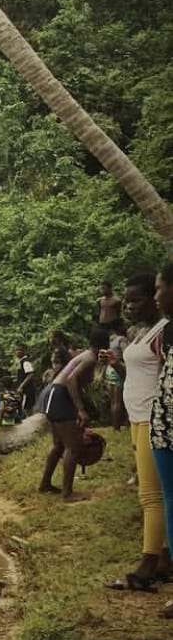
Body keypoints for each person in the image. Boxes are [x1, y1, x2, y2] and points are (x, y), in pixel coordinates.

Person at [107, 272, 168, 591]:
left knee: (151, 495)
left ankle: (147, 565)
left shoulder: (162, 332)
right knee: (155, 492)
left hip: (152, 419)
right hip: (137, 417)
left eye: (137, 299)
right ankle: (164, 556)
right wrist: (117, 367)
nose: (129, 306)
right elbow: (138, 374)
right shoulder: (140, 332)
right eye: (126, 300)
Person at [38, 325, 109, 499]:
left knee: (59, 445)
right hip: (59, 394)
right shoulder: (91, 358)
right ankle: (67, 493)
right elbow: (71, 380)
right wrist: (81, 409)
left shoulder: (85, 355)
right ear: (105, 344)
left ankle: (45, 484)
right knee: (73, 446)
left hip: (53, 392)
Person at [148, 264, 173, 618]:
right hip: (164, 425)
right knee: (171, 501)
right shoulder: (167, 331)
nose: (157, 296)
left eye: (159, 288)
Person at [14, 344, 38, 416]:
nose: (17, 352)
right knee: (27, 410)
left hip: (28, 391)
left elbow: (30, 374)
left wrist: (21, 386)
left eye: (19, 350)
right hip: (25, 391)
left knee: (28, 410)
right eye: (16, 350)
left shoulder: (25, 362)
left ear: (24, 351)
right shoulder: (21, 362)